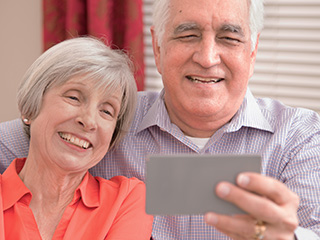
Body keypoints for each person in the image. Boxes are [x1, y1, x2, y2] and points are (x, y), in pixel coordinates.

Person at [1, 0, 320, 239]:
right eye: (188, 35)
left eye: (229, 38)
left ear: (253, 51)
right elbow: (33, 131)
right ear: (157, 46)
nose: (207, 57)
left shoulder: (298, 135)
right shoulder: (111, 118)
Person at [0, 37, 153, 239]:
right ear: (31, 106)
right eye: (73, 97)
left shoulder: (127, 199)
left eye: (107, 111)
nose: (89, 121)